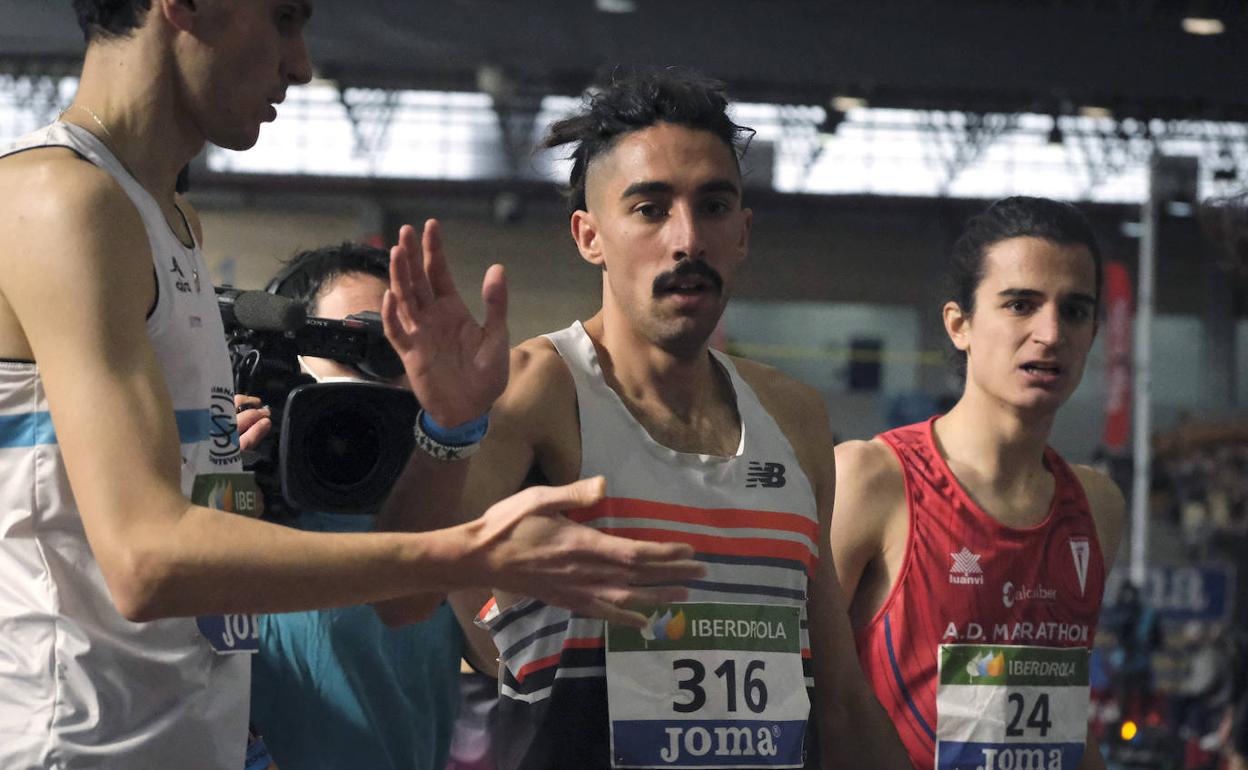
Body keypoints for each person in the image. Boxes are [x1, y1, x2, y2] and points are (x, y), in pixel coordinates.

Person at [0, 3, 701, 768]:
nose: (301, 63)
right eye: (283, 18)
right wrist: (471, 551)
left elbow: (364, 602)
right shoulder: (59, 199)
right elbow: (145, 560)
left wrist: (448, 431)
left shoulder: (168, 221)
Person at [375, 68, 912, 770]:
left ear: (743, 233)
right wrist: (446, 429)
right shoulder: (538, 392)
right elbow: (401, 602)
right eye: (650, 209)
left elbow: (838, 696)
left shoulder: (794, 415)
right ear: (589, 236)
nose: (688, 239)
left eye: (713, 207)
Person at [831, 196, 1127, 770]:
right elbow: (804, 697)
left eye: (1074, 310)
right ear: (959, 324)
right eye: (1021, 304)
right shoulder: (871, 480)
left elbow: (1064, 722)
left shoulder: (1098, 507)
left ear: (1093, 332)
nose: (1050, 333)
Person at [247, 243, 499, 770]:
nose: (374, 377)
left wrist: (455, 435)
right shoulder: (240, 503)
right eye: (347, 348)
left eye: (393, 353)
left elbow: (503, 658)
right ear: (285, 363)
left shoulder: (439, 510)